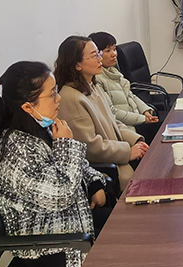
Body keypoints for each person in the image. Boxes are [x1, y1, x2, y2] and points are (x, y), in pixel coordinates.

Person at [0, 61, 109, 267]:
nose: (58, 98)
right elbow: (59, 196)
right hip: (52, 247)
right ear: (27, 107)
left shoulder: (41, 129)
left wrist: (95, 182)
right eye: (52, 94)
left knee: (130, 229)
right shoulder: (13, 150)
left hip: (74, 225)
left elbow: (78, 166)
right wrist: (66, 145)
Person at [54, 36, 149, 191]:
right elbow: (91, 147)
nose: (100, 59)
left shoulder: (92, 85)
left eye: (98, 53)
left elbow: (113, 121)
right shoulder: (71, 97)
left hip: (118, 154)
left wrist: (136, 140)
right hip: (108, 169)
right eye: (94, 56)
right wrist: (128, 151)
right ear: (77, 65)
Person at [88, 31, 161, 143]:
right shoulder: (97, 79)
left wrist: (145, 111)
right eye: (108, 51)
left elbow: (130, 95)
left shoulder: (113, 71)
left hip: (136, 121)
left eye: (114, 49)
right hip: (126, 128)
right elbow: (112, 112)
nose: (114, 54)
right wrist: (142, 119)